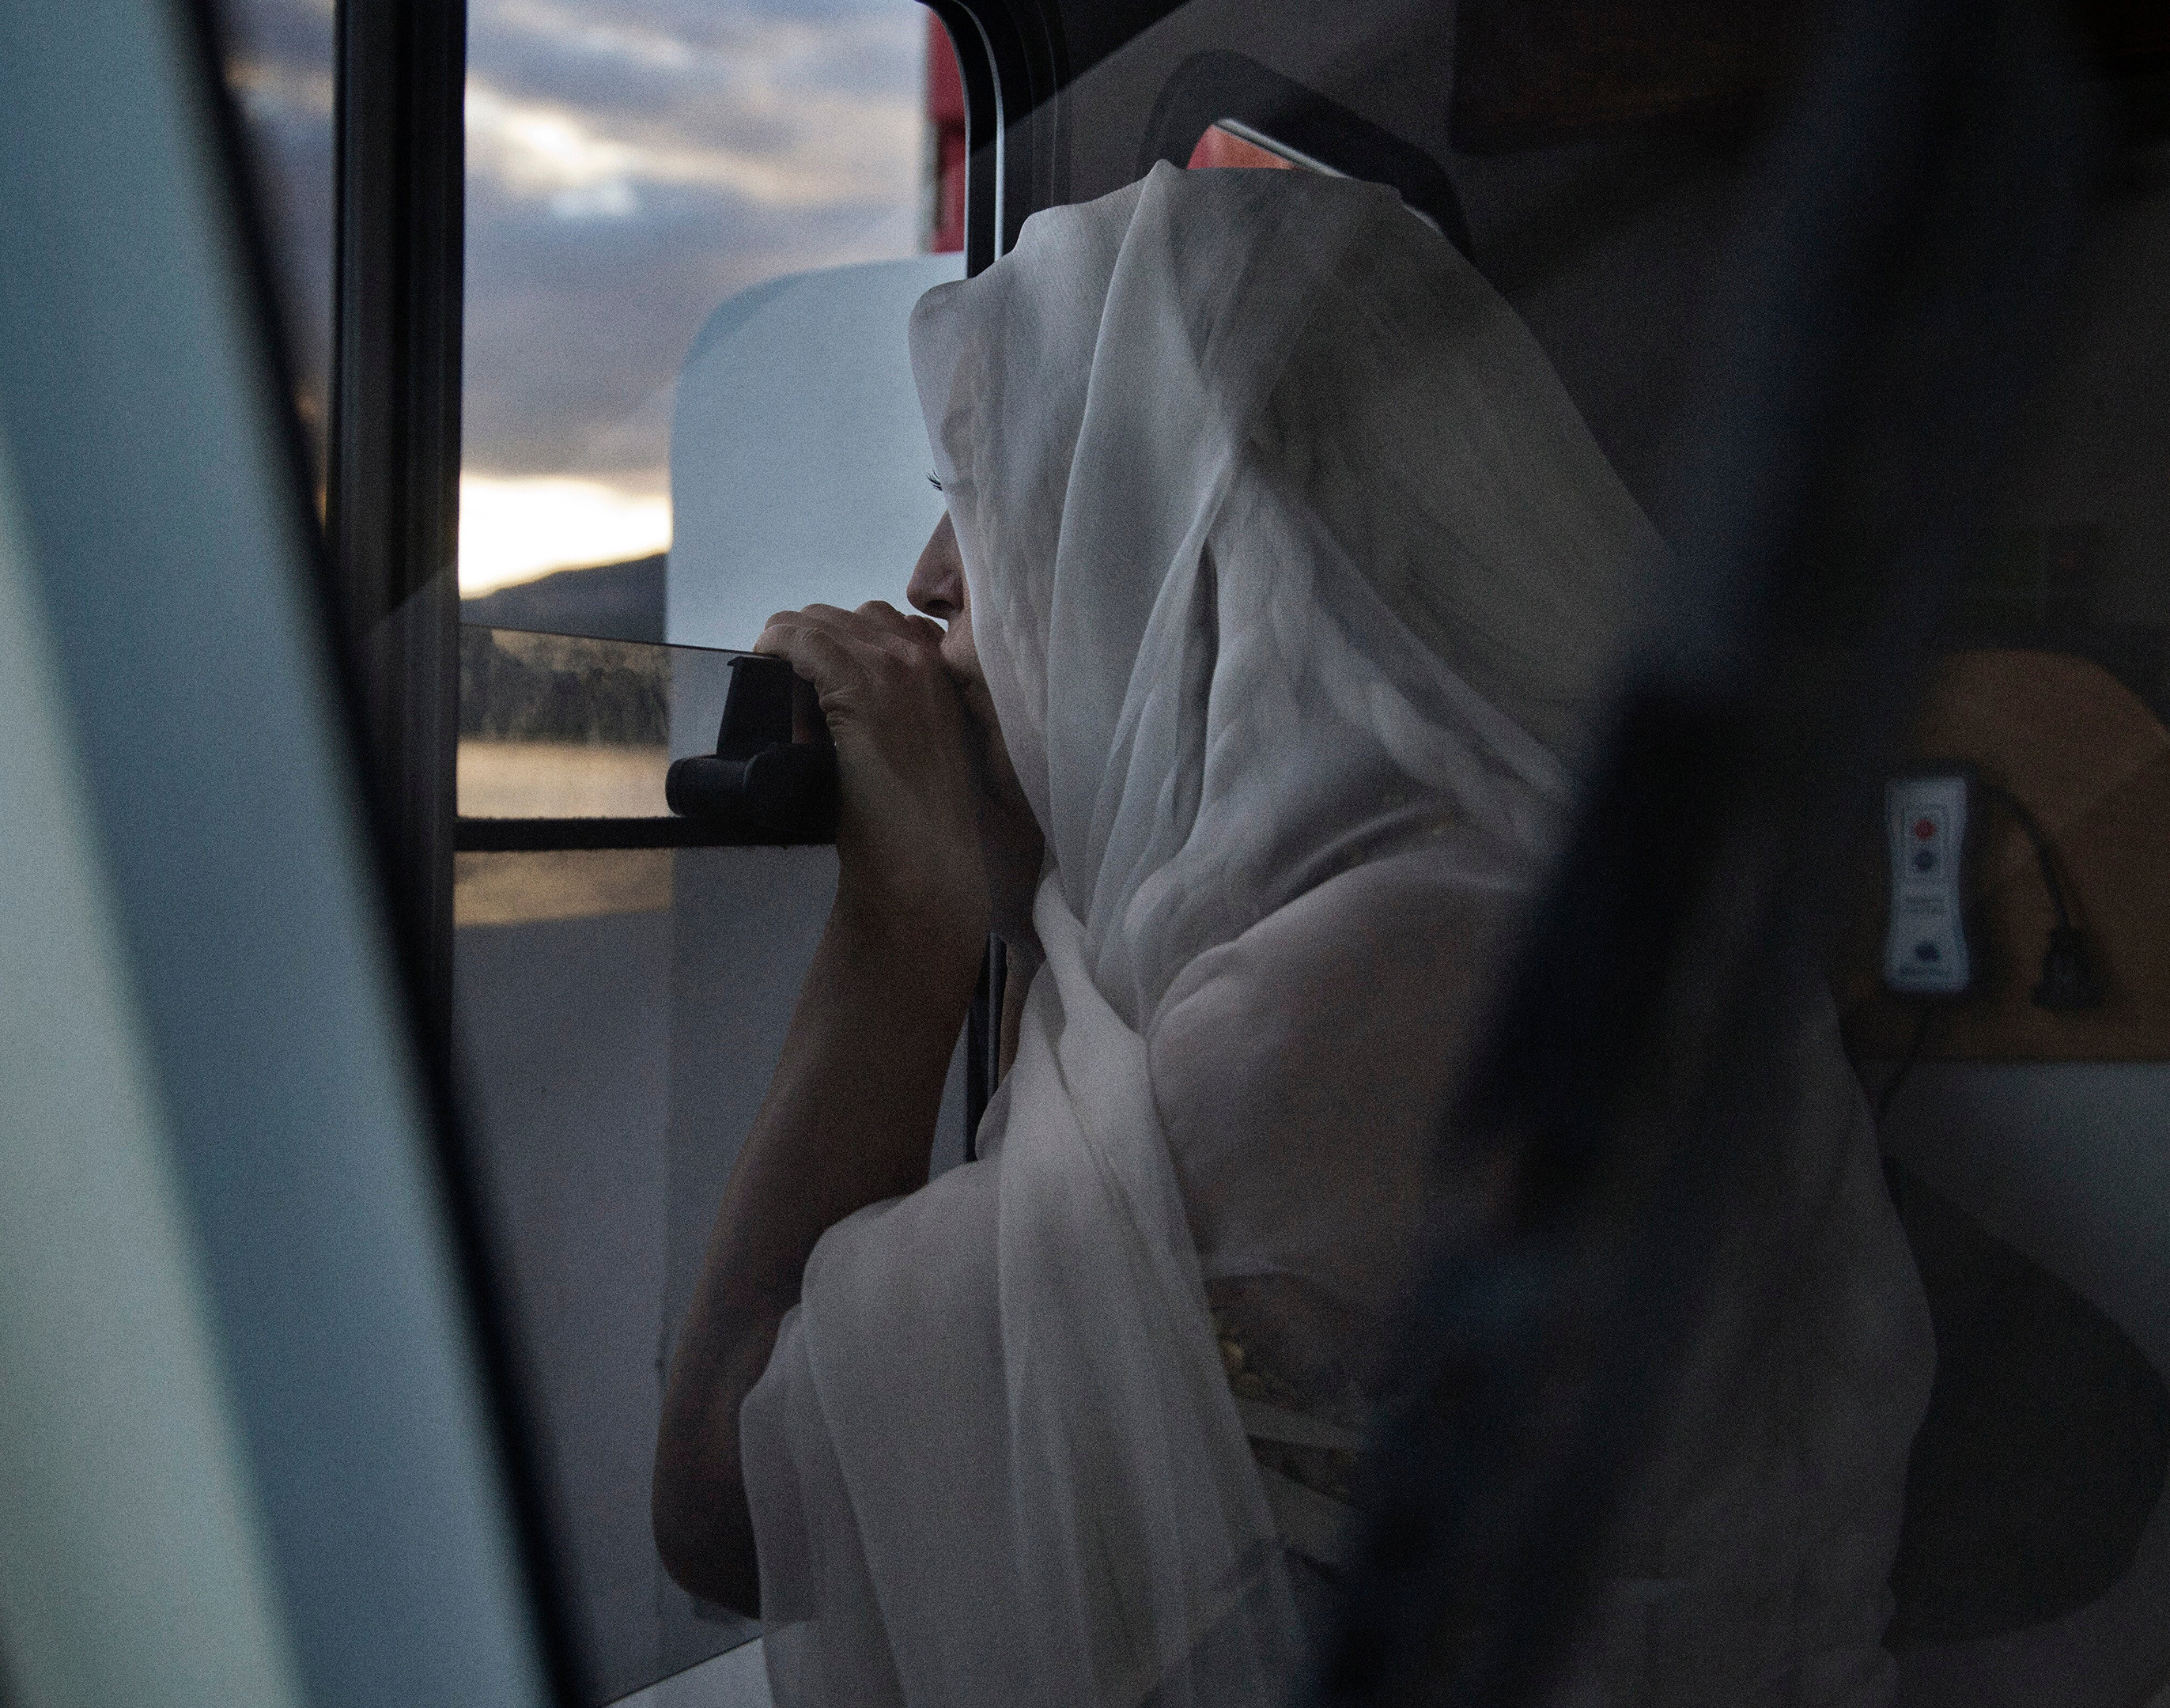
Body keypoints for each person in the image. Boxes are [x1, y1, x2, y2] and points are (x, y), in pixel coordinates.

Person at [649, 160, 1930, 1706]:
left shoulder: (1381, 990)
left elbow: (730, 1500)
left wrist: (902, 923)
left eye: (988, 489)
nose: (928, 580)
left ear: (1176, 528)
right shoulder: (1488, 891)